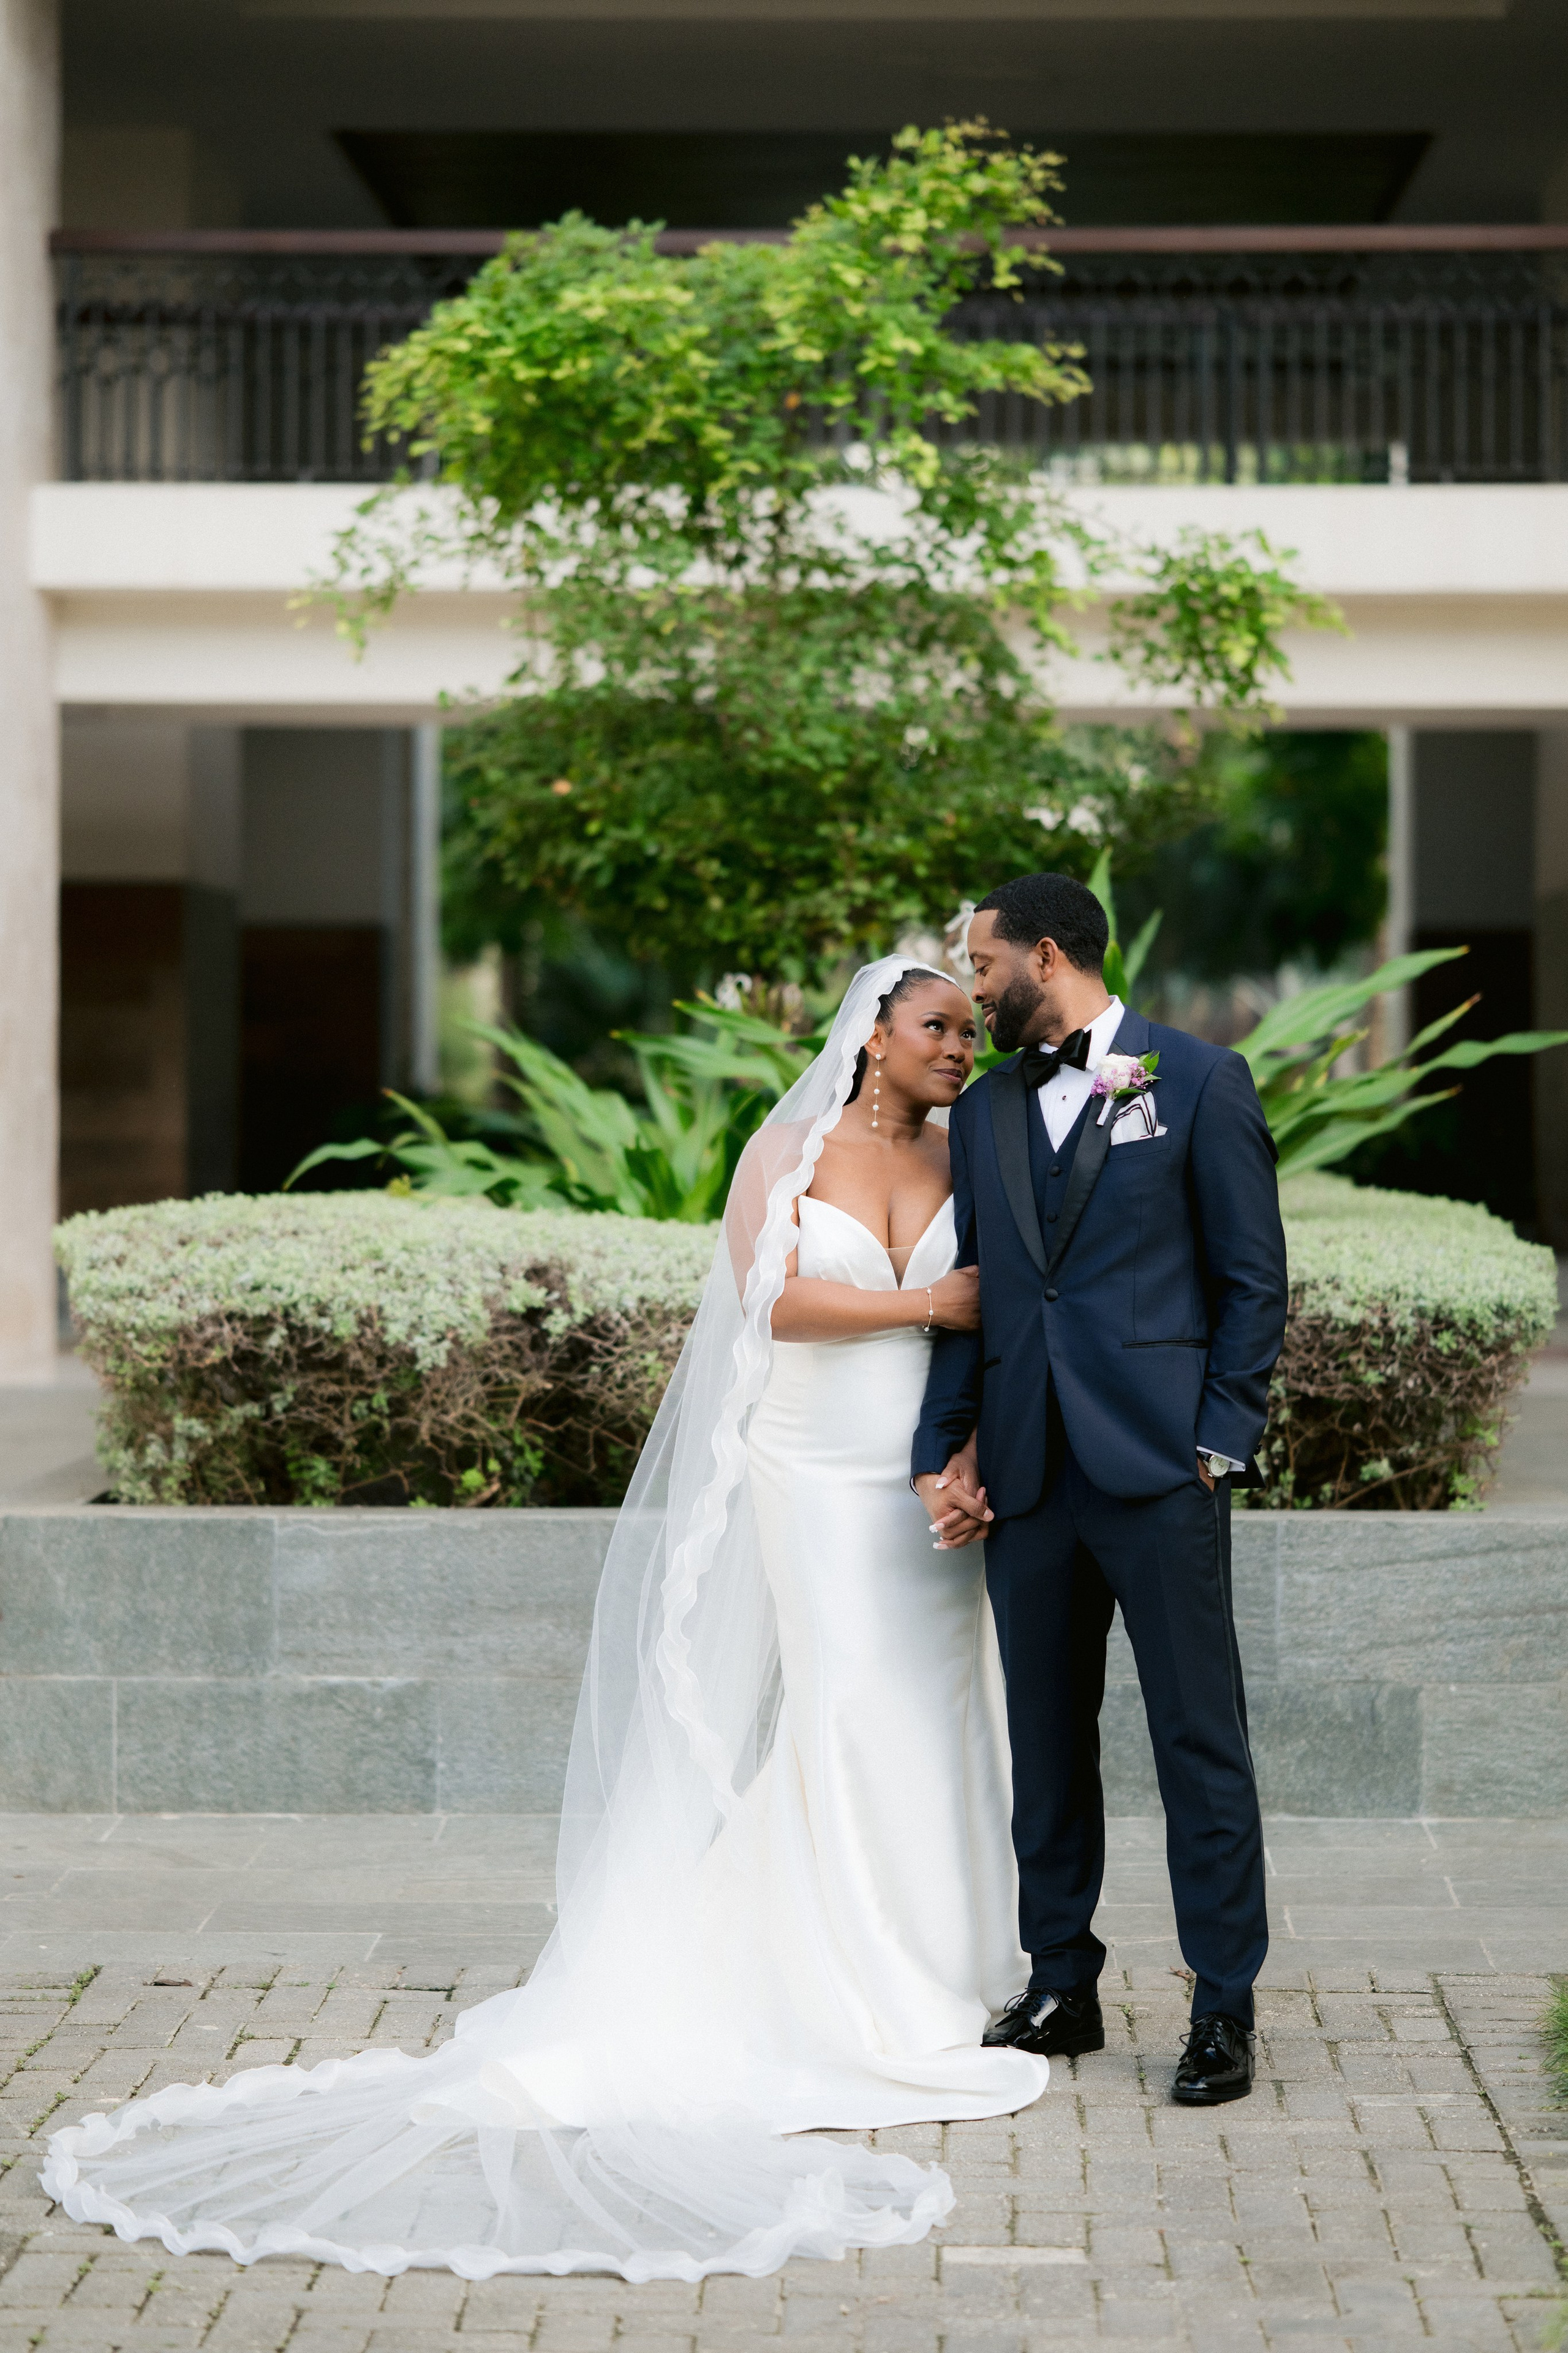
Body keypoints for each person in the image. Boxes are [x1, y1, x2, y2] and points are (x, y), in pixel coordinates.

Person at [43, 959, 1049, 2284]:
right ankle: (862, 1990)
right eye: (939, 1027)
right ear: (872, 1036)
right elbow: (772, 1303)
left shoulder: (958, 1152)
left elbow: (994, 1322)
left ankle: (945, 1961)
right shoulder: (785, 1151)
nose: (959, 1049)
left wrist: (967, 1450)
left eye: (970, 1031)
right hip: (810, 1473)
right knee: (847, 1707)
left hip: (923, 1476)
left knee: (939, 1703)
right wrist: (923, 1299)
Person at [913, 872, 1287, 2109]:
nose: (971, 987)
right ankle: (1060, 1981)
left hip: (1158, 1473)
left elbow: (1249, 1280)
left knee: (1196, 1740)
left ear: (1051, 953)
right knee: (1046, 1743)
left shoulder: (1193, 1080)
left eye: (981, 962)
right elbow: (973, 1301)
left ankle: (1221, 2007)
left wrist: (1217, 1442)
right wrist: (944, 1445)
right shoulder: (985, 1116)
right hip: (1028, 1477)